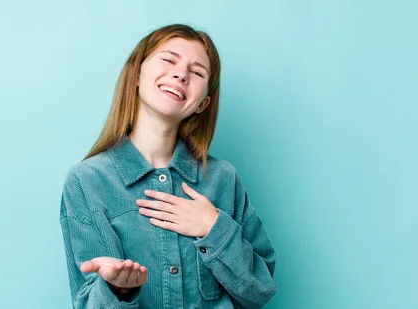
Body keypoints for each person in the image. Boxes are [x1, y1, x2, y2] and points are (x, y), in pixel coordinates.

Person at [59, 23, 277, 308]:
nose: (181, 74)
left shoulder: (224, 179)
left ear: (203, 103)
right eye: (169, 59)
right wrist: (118, 291)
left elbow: (260, 290)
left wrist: (214, 228)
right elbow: (87, 301)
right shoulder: (86, 181)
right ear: (137, 73)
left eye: (197, 72)